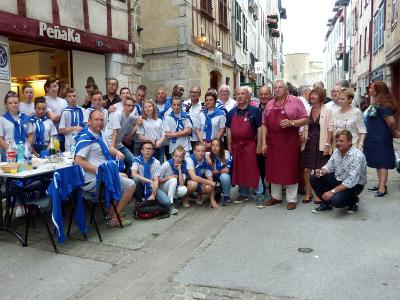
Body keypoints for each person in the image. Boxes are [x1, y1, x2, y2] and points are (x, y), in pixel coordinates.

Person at [74, 110, 134, 227]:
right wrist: (100, 171)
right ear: (89, 122)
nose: (100, 122)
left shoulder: (101, 134)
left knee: (125, 176)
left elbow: (108, 148)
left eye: (102, 120)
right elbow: (78, 161)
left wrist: (117, 152)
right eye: (96, 120)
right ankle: (115, 219)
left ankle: (112, 212)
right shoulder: (85, 138)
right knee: (131, 185)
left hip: (102, 176)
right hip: (91, 180)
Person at [262, 79, 308, 210]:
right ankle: (276, 197)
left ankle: (291, 199)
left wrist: (292, 123)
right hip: (273, 143)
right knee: (274, 169)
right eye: (275, 88)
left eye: (280, 87)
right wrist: (264, 143)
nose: (277, 89)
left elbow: (305, 119)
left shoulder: (295, 101)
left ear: (286, 89)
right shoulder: (270, 104)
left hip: (290, 142)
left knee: (290, 169)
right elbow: (264, 124)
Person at [311, 130, 367, 214]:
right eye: (336, 141)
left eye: (341, 141)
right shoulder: (337, 151)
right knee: (314, 178)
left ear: (349, 142)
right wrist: (322, 170)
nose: (338, 143)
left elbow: (351, 181)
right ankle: (327, 204)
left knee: (336, 201)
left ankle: (353, 200)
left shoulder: (357, 156)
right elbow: (330, 166)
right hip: (339, 179)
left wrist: (332, 192)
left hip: (354, 186)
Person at [226, 86, 263, 205]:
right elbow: (229, 130)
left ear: (248, 97)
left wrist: (259, 145)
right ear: (236, 97)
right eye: (238, 94)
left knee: (253, 169)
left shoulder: (254, 111)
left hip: (250, 144)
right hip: (236, 146)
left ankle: (259, 193)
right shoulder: (232, 112)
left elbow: (260, 129)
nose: (240, 96)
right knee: (240, 169)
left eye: (243, 94)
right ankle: (243, 194)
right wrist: (229, 146)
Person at [363, 81, 400, 197]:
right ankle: (380, 184)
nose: (369, 90)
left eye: (372, 88)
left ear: (378, 90)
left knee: (382, 162)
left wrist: (394, 132)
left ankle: (382, 188)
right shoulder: (377, 102)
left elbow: (391, 121)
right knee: (378, 162)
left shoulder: (384, 104)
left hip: (381, 138)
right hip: (374, 137)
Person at [300, 87, 333, 203]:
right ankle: (308, 193)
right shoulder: (308, 110)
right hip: (308, 143)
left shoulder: (327, 110)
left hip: (321, 143)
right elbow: (305, 126)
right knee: (306, 169)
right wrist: (303, 135)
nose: (312, 96)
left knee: (319, 170)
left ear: (321, 96)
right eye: (311, 94)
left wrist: (328, 144)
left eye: (315, 94)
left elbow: (330, 129)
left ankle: (318, 193)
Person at [131, 141, 177, 215]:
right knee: (135, 180)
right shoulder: (136, 160)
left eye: (150, 149)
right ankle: (140, 201)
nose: (148, 150)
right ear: (141, 151)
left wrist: (153, 194)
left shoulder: (156, 162)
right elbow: (134, 174)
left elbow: (156, 180)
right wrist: (149, 181)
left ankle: (155, 202)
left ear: (153, 151)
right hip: (142, 185)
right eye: (145, 148)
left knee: (166, 202)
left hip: (152, 187)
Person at [0, 91, 33, 161]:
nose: (13, 105)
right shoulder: (2, 119)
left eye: (15, 103)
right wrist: (11, 150)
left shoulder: (26, 118)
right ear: (6, 104)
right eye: (10, 103)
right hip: (9, 154)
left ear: (19, 103)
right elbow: (0, 139)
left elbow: (30, 136)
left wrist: (26, 148)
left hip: (24, 153)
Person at [184, 142, 217, 208]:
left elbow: (211, 181)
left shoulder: (206, 160)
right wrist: (210, 182)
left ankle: (199, 195)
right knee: (194, 184)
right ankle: (185, 197)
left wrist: (212, 200)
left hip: (200, 181)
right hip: (187, 182)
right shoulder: (189, 159)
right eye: (198, 151)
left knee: (209, 187)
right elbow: (193, 177)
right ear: (194, 151)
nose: (200, 153)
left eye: (202, 151)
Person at [107, 97, 137, 168]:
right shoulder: (118, 114)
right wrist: (113, 150)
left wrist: (130, 136)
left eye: (132, 106)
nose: (131, 107)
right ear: (124, 106)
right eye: (128, 105)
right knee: (118, 166)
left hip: (119, 144)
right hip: (110, 144)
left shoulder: (130, 116)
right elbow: (115, 132)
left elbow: (138, 121)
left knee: (135, 162)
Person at [159, 145, 188, 210]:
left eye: (180, 157)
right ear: (173, 156)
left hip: (174, 187)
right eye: (176, 156)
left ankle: (173, 198)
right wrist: (170, 177)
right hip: (163, 187)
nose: (177, 159)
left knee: (184, 189)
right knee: (174, 179)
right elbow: (158, 180)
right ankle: (170, 204)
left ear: (183, 158)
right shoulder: (166, 164)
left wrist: (179, 170)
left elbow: (182, 184)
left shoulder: (183, 164)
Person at [207, 138, 232, 206]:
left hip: (220, 176)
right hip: (213, 177)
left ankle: (226, 196)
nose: (215, 148)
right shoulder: (208, 154)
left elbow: (227, 169)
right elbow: (205, 154)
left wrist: (217, 171)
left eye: (217, 146)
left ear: (221, 147)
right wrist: (207, 157)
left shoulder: (225, 153)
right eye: (213, 145)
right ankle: (215, 194)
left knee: (225, 176)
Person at [257, 86, 272, 194]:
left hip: (272, 142)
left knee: (272, 166)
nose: (263, 96)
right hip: (258, 142)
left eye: (265, 94)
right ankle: (261, 189)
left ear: (270, 95)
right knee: (260, 166)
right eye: (261, 94)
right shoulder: (255, 109)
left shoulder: (274, 107)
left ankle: (273, 189)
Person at [183, 86, 203, 150]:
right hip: (185, 138)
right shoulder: (184, 104)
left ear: (200, 94)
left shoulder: (203, 106)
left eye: (196, 92)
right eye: (192, 92)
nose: (193, 94)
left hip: (198, 138)